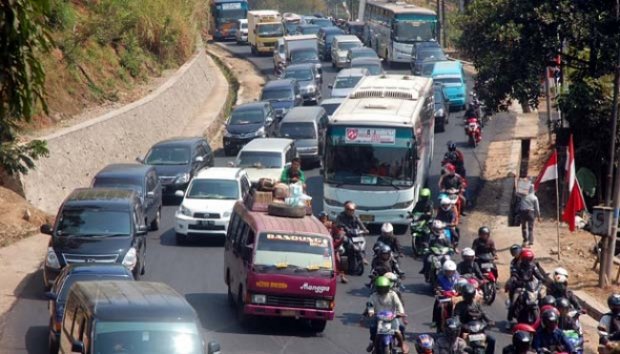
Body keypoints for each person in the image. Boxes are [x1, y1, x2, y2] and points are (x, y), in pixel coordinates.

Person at [365, 276, 408, 353]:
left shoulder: (392, 295)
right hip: (379, 318)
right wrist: (371, 312)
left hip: (392, 317)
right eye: (380, 288)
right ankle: (373, 344)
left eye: (384, 288)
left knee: (398, 331)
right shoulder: (374, 296)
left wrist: (401, 312)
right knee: (373, 328)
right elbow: (370, 304)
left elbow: (399, 304)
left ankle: (401, 344)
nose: (382, 290)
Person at [454, 283, 496, 354]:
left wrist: (489, 320)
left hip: (478, 330)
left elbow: (483, 313)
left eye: (470, 296)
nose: (469, 298)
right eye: (467, 296)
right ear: (464, 295)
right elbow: (456, 316)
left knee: (492, 340)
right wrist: (459, 323)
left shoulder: (476, 304)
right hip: (465, 330)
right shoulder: (459, 305)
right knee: (456, 344)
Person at [432, 260, 460, 327]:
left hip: (455, 296)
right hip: (444, 297)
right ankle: (435, 322)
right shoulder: (440, 277)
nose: (450, 273)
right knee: (438, 307)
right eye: (448, 271)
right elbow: (436, 286)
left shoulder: (457, 276)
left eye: (451, 271)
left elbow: (461, 283)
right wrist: (438, 290)